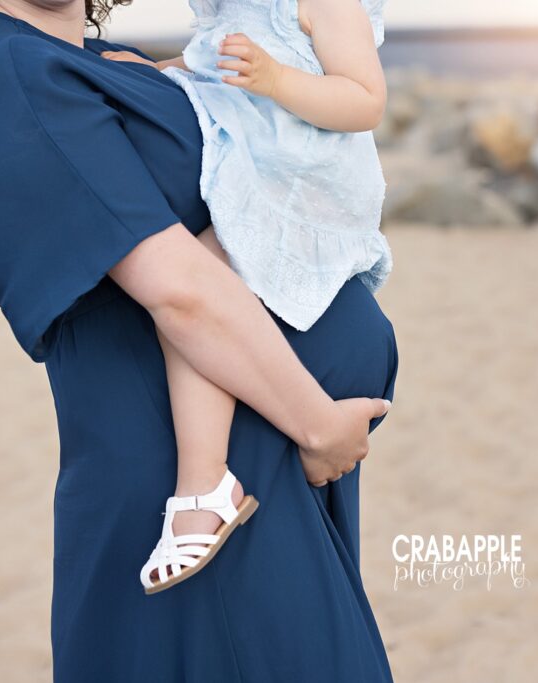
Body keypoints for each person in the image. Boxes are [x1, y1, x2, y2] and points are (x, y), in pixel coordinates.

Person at [0, 0, 398, 679]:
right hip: (198, 502)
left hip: (268, 474)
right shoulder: (14, 77)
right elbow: (180, 290)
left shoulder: (90, 60)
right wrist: (319, 424)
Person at [99, 0, 392, 593]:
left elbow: (366, 101)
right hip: (259, 165)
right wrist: (150, 73)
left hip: (308, 183)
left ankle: (205, 482)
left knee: (199, 280)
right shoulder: (233, 11)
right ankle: (242, 464)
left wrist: (278, 79)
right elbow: (215, 62)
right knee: (196, 281)